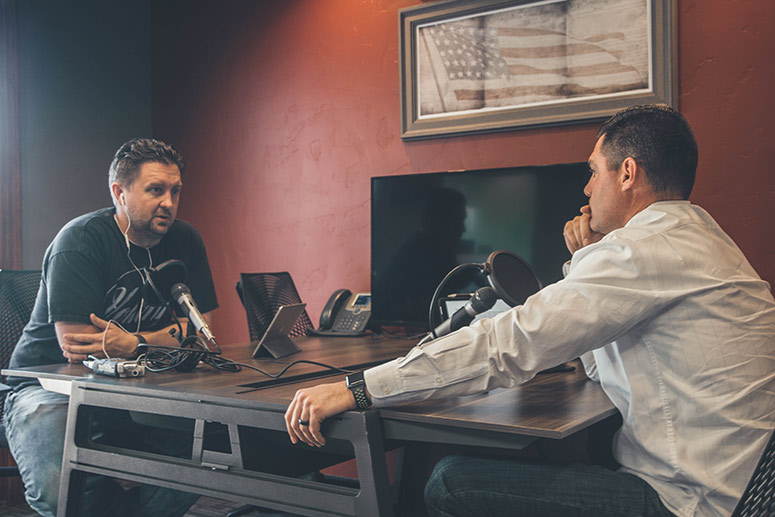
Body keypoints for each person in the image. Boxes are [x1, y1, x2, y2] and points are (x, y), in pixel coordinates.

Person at [284, 105, 775, 517]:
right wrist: (585, 261)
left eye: (593, 170)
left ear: (627, 173)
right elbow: (590, 358)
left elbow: (507, 345)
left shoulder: (639, 251)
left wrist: (357, 388)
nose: (586, 189)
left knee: (449, 481)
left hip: (690, 502)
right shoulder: (700, 239)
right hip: (740, 490)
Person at [5, 138, 219, 517]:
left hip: (139, 384)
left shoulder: (186, 240)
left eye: (175, 191)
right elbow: (76, 348)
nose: (168, 202)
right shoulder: (81, 240)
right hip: (48, 387)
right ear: (120, 192)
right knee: (60, 490)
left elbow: (199, 334)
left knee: (209, 456)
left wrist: (134, 343)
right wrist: (164, 340)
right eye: (156, 190)